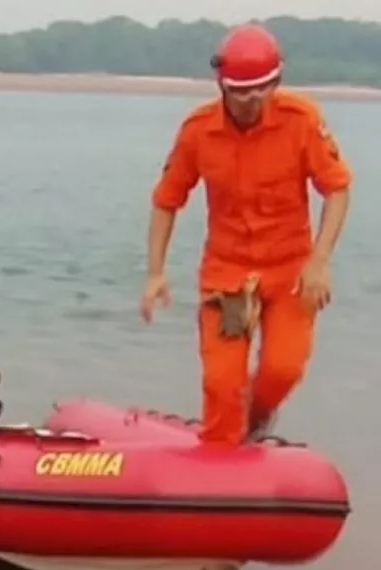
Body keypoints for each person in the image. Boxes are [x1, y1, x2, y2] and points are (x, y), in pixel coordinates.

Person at [141, 22, 351, 446]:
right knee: (221, 384)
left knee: (283, 369)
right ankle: (217, 467)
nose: (254, 99)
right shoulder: (198, 131)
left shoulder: (302, 120)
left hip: (290, 269)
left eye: (264, 87)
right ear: (222, 86)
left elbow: (338, 189)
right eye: (242, 90)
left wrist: (319, 260)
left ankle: (253, 422)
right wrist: (156, 273)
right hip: (227, 275)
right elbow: (166, 200)